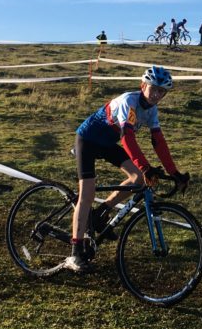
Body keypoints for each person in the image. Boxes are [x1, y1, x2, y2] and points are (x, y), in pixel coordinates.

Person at [67, 66, 189, 273]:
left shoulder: (152, 110)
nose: (157, 95)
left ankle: (100, 213)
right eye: (154, 89)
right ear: (143, 86)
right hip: (87, 140)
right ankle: (75, 252)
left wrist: (174, 172)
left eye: (162, 92)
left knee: (138, 179)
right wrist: (145, 167)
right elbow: (127, 138)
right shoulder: (129, 102)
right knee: (87, 193)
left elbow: (158, 142)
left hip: (106, 144)